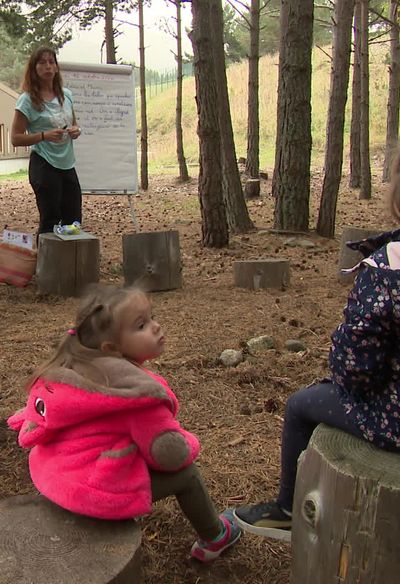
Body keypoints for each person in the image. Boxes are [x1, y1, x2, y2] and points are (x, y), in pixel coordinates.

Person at [8, 284, 241, 563]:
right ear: (112, 348)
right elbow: (169, 455)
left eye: (152, 317)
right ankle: (215, 537)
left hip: (54, 478)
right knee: (187, 475)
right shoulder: (135, 398)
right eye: (141, 325)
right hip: (92, 492)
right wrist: (189, 442)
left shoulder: (71, 371)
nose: (155, 327)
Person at [234, 159, 400, 540]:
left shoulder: (386, 270)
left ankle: (287, 510)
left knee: (301, 404)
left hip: (392, 419)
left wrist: (339, 374)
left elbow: (356, 369)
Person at [11, 46, 82, 236]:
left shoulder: (66, 95)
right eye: (42, 63)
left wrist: (76, 130)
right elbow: (15, 138)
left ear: (57, 68)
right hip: (44, 164)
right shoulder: (27, 100)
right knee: (51, 221)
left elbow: (73, 123)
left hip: (67, 165)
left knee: (73, 221)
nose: (48, 67)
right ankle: (46, 264)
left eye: (51, 62)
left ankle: (69, 264)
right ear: (34, 69)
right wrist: (44, 135)